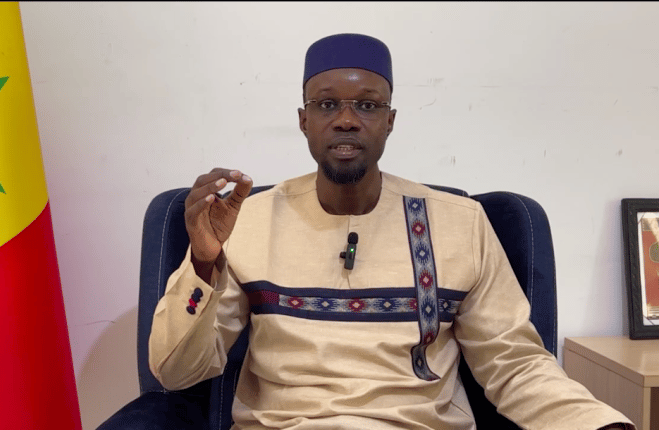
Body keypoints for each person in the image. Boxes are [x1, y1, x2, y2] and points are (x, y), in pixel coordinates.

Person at [149, 33, 634, 430]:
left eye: (367, 105)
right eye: (326, 104)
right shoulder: (248, 221)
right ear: (303, 120)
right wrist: (203, 262)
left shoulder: (460, 223)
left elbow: (515, 364)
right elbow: (176, 371)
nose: (346, 120)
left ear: (389, 121)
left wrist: (598, 423)